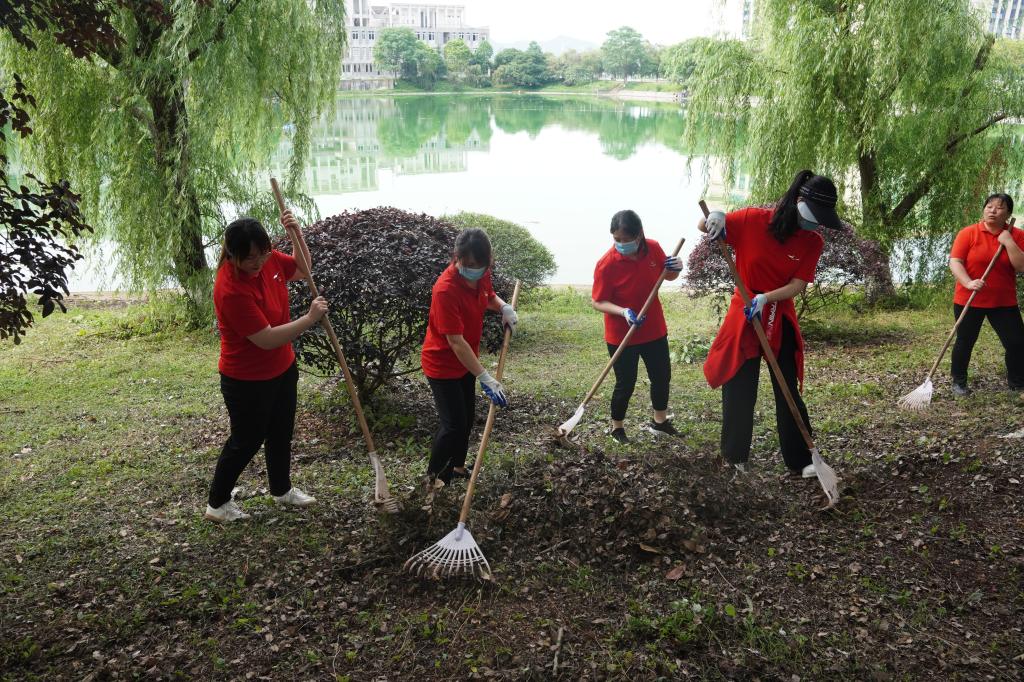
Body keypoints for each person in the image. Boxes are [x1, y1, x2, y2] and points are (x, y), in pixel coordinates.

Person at [699, 170, 842, 476]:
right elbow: (706, 226)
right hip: (745, 312)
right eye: (814, 215)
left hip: (777, 311)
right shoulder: (752, 220)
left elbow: (798, 284)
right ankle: (734, 456)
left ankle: (801, 459)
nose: (816, 223)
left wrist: (766, 298)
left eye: (821, 218)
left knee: (787, 386)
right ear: (799, 201)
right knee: (739, 385)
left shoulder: (812, 241)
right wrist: (716, 217)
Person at [205, 212, 328, 522]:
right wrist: (310, 319)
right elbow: (266, 339)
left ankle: (281, 489)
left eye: (262, 254)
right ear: (232, 254)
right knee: (246, 441)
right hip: (246, 379)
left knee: (280, 432)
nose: (258, 263)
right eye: (250, 259)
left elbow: (302, 269)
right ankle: (217, 504)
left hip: (282, 368)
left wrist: (297, 236)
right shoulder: (230, 289)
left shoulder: (269, 260)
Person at [421, 228, 518, 487]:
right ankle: (434, 481)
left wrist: (503, 307)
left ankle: (457, 467)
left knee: (466, 419)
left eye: (480, 264)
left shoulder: (481, 274)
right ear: (457, 257)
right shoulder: (445, 290)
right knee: (452, 425)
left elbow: (487, 295)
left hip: (466, 361)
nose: (474, 269)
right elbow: (455, 341)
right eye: (469, 264)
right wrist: (484, 376)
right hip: (442, 365)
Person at [591, 209, 682, 444]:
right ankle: (616, 428)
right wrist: (624, 312)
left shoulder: (653, 247)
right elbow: (597, 301)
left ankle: (659, 422)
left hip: (653, 329)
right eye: (616, 239)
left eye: (625, 239)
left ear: (639, 234)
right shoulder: (606, 264)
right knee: (626, 382)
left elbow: (667, 276)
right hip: (622, 334)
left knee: (662, 376)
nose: (620, 244)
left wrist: (676, 267)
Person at [948, 193, 1024, 395]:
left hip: (1003, 301)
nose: (993, 211)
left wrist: (1008, 241)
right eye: (989, 206)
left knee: (1017, 342)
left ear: (1007, 213)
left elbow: (1022, 266)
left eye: (999, 208)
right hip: (969, 299)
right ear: (984, 209)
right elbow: (955, 262)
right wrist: (968, 282)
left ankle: (1017, 383)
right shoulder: (969, 233)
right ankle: (958, 382)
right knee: (965, 341)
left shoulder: (1016, 235)